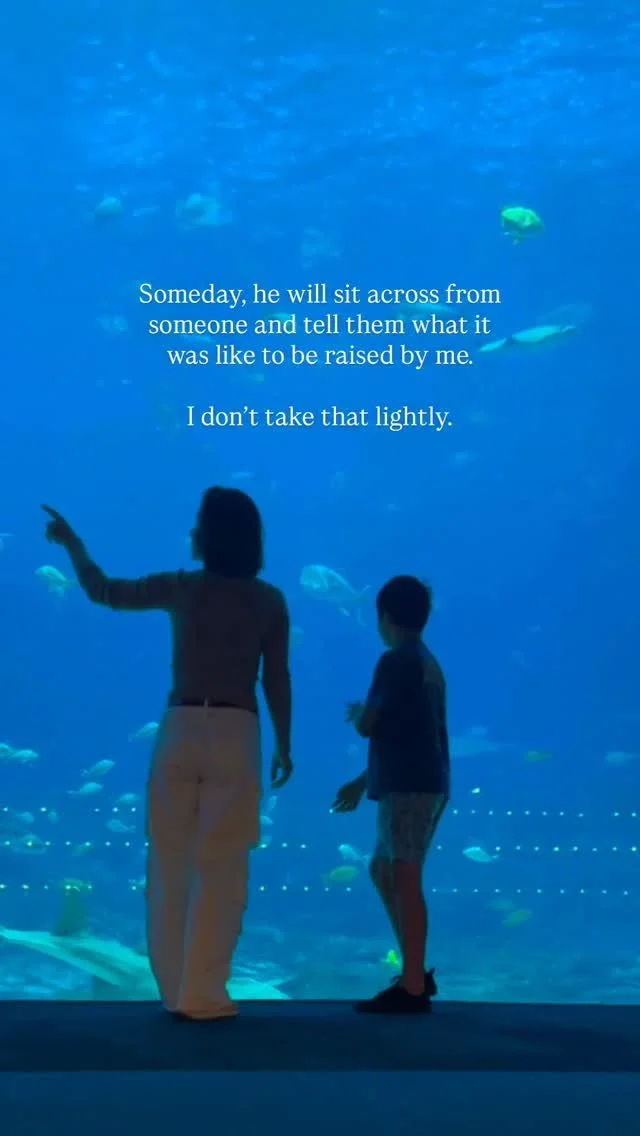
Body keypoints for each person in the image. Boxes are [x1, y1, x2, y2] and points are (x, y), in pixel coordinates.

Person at [42, 488, 292, 1021]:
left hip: (181, 727)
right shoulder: (269, 601)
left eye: (199, 521)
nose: (192, 530)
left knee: (169, 861)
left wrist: (73, 544)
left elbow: (104, 590)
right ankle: (205, 994)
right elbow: (276, 677)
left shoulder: (181, 587)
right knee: (222, 866)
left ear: (210, 535)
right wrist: (285, 743)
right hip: (237, 731)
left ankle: (174, 990)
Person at [332, 575, 449, 1015]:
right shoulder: (428, 663)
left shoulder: (395, 660)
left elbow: (370, 725)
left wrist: (359, 714)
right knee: (384, 870)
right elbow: (408, 735)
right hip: (421, 782)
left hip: (409, 787)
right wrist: (362, 781)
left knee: (403, 876)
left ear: (385, 617)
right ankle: (414, 972)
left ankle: (413, 985)